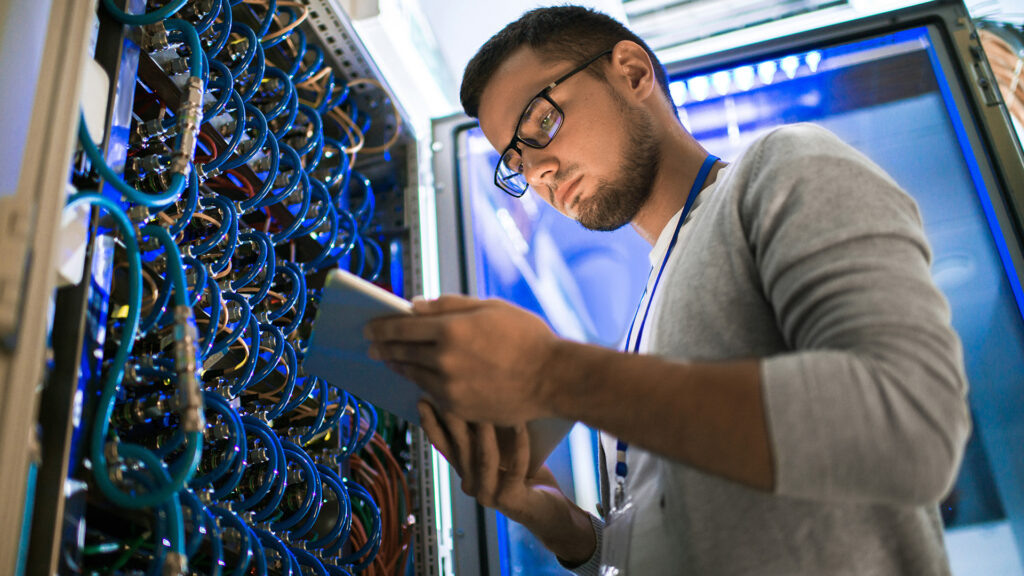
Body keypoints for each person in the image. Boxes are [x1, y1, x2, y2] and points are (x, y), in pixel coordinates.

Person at [364, 5, 970, 575]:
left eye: (541, 121)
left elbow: (908, 425)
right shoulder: (640, 324)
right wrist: (560, 522)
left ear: (631, 72)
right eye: (515, 163)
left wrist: (553, 373)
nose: (538, 172)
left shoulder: (782, 168)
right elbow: (667, 540)